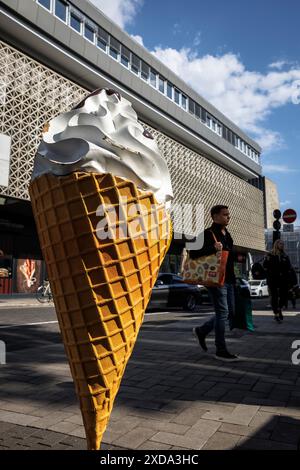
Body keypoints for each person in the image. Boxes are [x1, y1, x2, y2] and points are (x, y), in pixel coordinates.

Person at [190, 205, 238, 361]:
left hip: (229, 279)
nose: (228, 217)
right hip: (215, 280)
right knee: (223, 313)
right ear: (215, 216)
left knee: (229, 313)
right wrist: (212, 248)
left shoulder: (228, 234)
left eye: (228, 214)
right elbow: (192, 252)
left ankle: (202, 331)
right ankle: (221, 350)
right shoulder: (208, 234)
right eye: (225, 215)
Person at [263, 239, 296, 322]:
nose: (282, 245)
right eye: (280, 244)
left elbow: (289, 268)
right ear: (276, 244)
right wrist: (266, 259)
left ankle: (279, 308)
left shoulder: (285, 256)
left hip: (283, 279)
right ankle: (276, 314)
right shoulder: (270, 255)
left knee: (284, 296)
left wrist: (290, 279)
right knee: (274, 297)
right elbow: (265, 265)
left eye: (283, 244)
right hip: (272, 279)